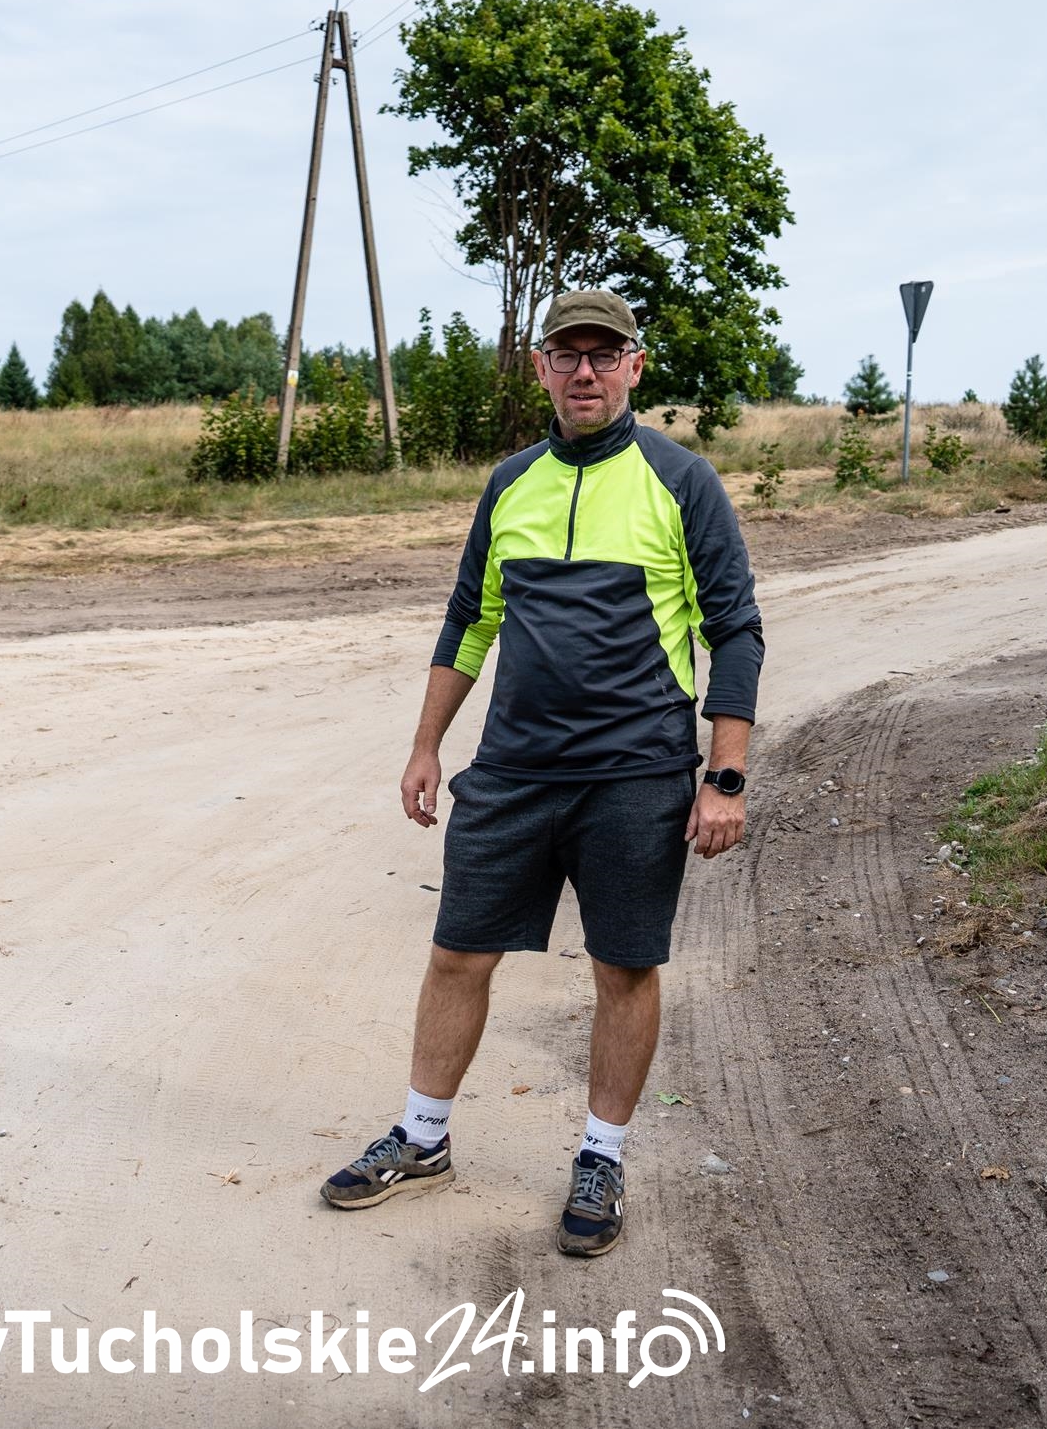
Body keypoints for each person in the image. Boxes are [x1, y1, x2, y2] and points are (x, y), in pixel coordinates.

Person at [317, 288, 765, 1258]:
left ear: (635, 367)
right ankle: (423, 1137)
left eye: (605, 355)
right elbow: (471, 617)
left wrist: (723, 775)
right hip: (515, 769)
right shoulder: (511, 481)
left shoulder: (680, 481)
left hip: (636, 775)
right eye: (568, 354)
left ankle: (601, 1156)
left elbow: (735, 628)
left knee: (624, 967)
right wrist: (427, 742)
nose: (586, 371)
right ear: (541, 367)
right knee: (456, 954)